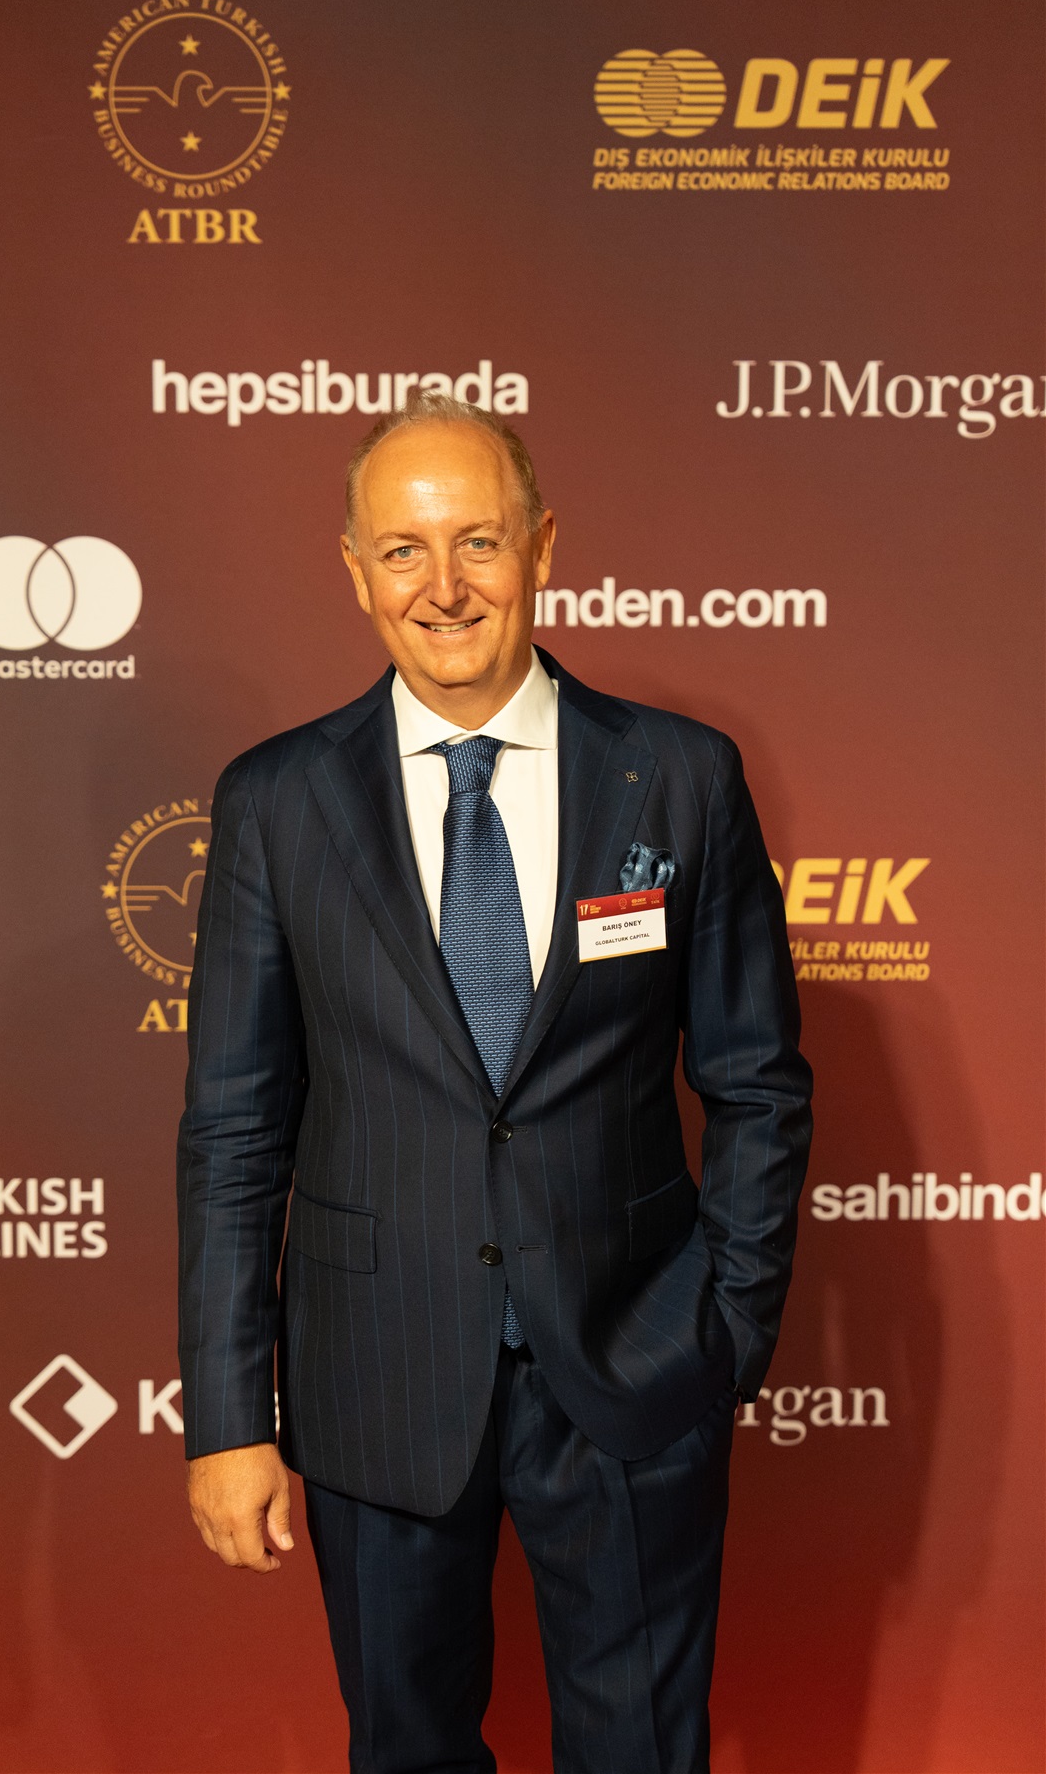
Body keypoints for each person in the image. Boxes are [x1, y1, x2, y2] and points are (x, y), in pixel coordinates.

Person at [177, 394, 812, 1774]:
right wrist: (228, 1420)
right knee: (406, 1752)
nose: (444, 586)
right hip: (376, 1382)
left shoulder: (679, 777)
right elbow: (233, 1130)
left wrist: (723, 1333)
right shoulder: (276, 802)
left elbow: (759, 1083)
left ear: (543, 548)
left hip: (635, 1368)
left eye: (479, 541)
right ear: (355, 570)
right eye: (403, 551)